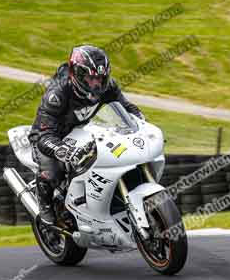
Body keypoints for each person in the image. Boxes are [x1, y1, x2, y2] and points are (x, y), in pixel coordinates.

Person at [29, 45, 144, 225]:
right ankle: (44, 205)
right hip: (49, 137)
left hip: (81, 131)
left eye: (100, 78)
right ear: (79, 75)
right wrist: (62, 150)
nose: (96, 84)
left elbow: (127, 108)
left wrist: (141, 122)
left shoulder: (108, 87)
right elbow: (44, 134)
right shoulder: (58, 94)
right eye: (91, 78)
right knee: (53, 173)